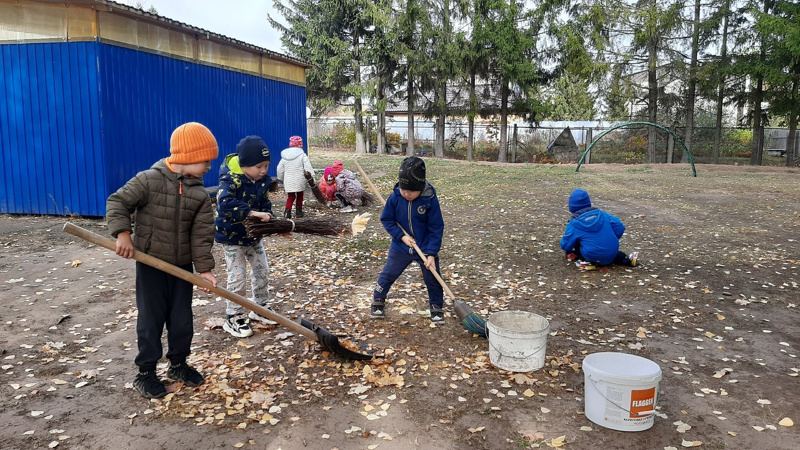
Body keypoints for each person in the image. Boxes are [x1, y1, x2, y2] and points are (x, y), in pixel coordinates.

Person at [106, 121, 218, 399]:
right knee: (151, 319)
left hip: (181, 268)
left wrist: (204, 269)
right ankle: (145, 372)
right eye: (205, 160)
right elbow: (118, 202)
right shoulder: (148, 180)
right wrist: (123, 234)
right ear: (188, 157)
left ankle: (178, 365)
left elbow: (201, 235)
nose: (208, 167)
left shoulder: (199, 194)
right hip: (151, 265)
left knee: (182, 320)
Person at [215, 135, 278, 338]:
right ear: (244, 164)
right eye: (259, 166)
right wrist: (251, 213)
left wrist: (275, 223)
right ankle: (234, 316)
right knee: (237, 277)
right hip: (232, 238)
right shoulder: (230, 180)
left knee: (262, 271)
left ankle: (260, 307)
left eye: (267, 166)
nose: (263, 171)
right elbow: (224, 203)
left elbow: (266, 207)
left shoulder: (262, 183)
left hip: (253, 238)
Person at [371, 156, 446, 322]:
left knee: (433, 277)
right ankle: (378, 298)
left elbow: (436, 227)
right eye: (404, 189)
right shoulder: (396, 197)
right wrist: (401, 236)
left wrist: (432, 253)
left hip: (425, 247)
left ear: (420, 186)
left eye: (411, 191)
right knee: (389, 273)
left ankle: (436, 305)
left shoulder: (429, 199)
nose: (407, 193)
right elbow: (388, 220)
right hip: (401, 247)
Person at [560, 188, 639, 270]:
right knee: (611, 254)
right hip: (611, 252)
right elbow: (619, 226)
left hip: (592, 254)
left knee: (578, 243)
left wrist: (568, 251)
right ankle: (627, 260)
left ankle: (589, 262)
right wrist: (611, 237)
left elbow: (566, 243)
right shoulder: (603, 215)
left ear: (571, 207)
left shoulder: (574, 224)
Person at [277, 135, 315, 218]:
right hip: (299, 179)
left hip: (289, 180)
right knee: (300, 195)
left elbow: (279, 168)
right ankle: (299, 212)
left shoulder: (285, 157)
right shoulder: (302, 155)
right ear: (301, 145)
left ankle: (287, 212)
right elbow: (308, 167)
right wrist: (312, 177)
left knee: (291, 196)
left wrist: (281, 178)